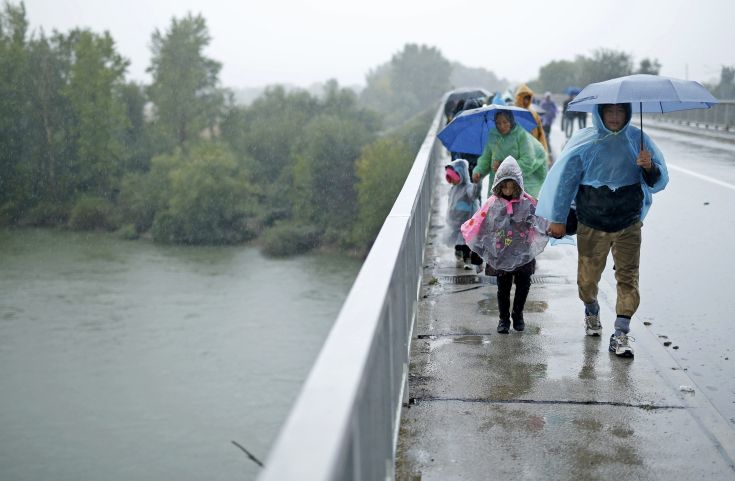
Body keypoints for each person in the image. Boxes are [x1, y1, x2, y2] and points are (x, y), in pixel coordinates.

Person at [536, 103, 669, 358]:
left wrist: (648, 166)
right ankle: (591, 310)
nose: (616, 117)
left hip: (629, 222)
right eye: (610, 111)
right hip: (592, 222)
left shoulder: (638, 140)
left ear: (629, 113)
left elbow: (656, 180)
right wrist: (558, 217)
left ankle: (621, 332)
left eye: (621, 112)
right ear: (600, 113)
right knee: (587, 281)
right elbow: (567, 182)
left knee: (628, 277)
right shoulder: (586, 142)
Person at [461, 156, 549, 333]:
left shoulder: (528, 202)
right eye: (505, 186)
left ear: (518, 185)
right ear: (499, 185)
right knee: (503, 287)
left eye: (512, 186)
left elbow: (540, 222)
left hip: (523, 252)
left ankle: (518, 314)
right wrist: (477, 253)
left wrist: (548, 229)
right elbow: (481, 227)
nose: (508, 190)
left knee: (524, 285)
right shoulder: (492, 204)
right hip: (500, 253)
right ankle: (503, 319)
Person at [471, 110, 548, 198]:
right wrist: (479, 171)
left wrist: (504, 167)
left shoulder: (521, 135)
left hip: (517, 185)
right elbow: (486, 158)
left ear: (511, 121)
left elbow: (528, 161)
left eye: (505, 122)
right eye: (498, 123)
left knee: (515, 209)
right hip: (498, 184)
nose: (501, 126)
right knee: (496, 209)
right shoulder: (493, 136)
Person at [445, 159, 482, 270]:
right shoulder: (453, 189)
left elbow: (474, 194)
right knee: (457, 243)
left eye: (454, 178)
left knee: (466, 244)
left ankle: (467, 260)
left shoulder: (468, 187)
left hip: (466, 221)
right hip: (455, 222)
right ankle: (459, 254)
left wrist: (477, 183)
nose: (453, 181)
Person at [514, 84, 549, 153]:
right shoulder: (513, 112)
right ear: (520, 98)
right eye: (525, 98)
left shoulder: (533, 113)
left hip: (532, 147)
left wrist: (543, 148)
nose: (527, 101)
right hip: (517, 148)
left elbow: (540, 132)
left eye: (528, 98)